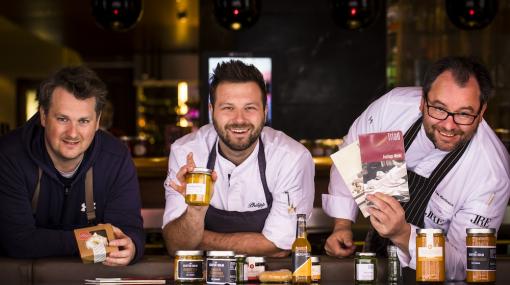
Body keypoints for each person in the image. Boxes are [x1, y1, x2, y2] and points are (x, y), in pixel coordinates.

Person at [322, 56, 510, 280]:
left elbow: (465, 265)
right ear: (422, 102)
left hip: (436, 277)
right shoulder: (394, 110)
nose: (449, 125)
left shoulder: (490, 173)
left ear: (481, 113)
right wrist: (342, 225)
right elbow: (351, 154)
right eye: (439, 109)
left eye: (464, 113)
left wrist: (403, 233)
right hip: (376, 260)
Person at [163, 60, 315, 257]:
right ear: (211, 111)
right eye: (228, 108)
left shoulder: (291, 158)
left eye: (250, 107)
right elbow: (176, 246)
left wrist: (197, 240)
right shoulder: (186, 153)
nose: (239, 119)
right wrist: (195, 211)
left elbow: (279, 247)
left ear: (265, 111)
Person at [0, 66, 144, 265]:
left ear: (97, 121)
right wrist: (94, 240)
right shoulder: (9, 156)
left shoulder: (116, 157)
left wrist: (131, 247)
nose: (73, 133)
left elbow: (126, 234)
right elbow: (17, 241)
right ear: (43, 115)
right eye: (62, 119)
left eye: (83, 121)